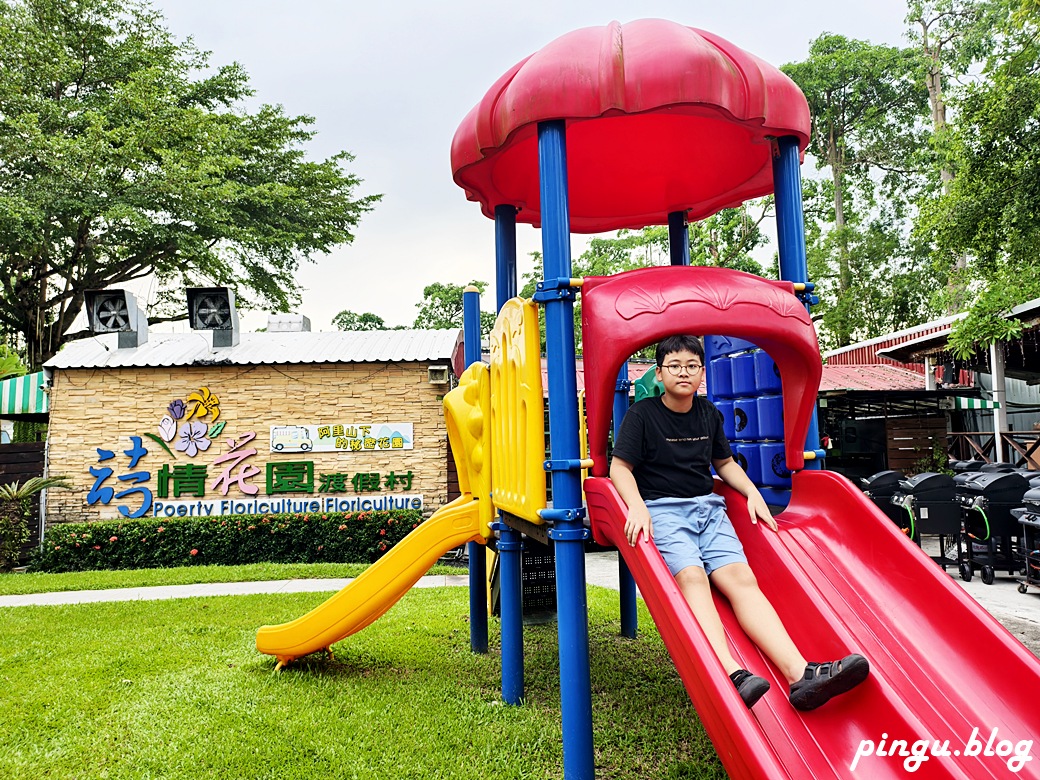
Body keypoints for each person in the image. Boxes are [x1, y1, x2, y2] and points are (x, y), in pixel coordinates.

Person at [609, 334, 869, 710]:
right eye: (674, 366)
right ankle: (730, 671)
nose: (683, 373)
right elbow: (620, 466)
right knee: (693, 578)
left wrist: (751, 492)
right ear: (660, 373)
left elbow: (724, 463)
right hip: (663, 511)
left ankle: (801, 675)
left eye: (692, 366)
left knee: (742, 580)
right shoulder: (643, 415)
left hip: (709, 509)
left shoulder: (708, 413)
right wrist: (636, 506)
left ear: (702, 373)